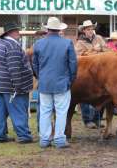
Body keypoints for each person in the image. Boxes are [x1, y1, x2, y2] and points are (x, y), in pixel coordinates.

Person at [33, 17, 77, 149]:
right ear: (59, 29)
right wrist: (70, 80)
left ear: (47, 29)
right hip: (62, 83)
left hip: (45, 82)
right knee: (61, 111)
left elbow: (35, 65)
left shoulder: (39, 44)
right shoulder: (67, 43)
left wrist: (40, 77)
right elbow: (73, 65)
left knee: (45, 111)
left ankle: (45, 139)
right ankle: (59, 139)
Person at [0, 23, 34, 144]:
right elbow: (14, 68)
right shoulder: (12, 46)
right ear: (11, 32)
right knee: (19, 109)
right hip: (11, 86)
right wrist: (18, 86)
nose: (19, 32)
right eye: (16, 30)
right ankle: (24, 136)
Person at [75, 20, 108, 129]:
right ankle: (87, 120)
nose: (90, 31)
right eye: (88, 29)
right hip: (87, 73)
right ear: (84, 31)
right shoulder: (79, 43)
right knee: (85, 96)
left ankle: (97, 119)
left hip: (101, 72)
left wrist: (101, 50)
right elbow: (78, 57)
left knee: (102, 95)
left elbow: (106, 50)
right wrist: (93, 50)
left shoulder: (99, 38)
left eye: (91, 29)